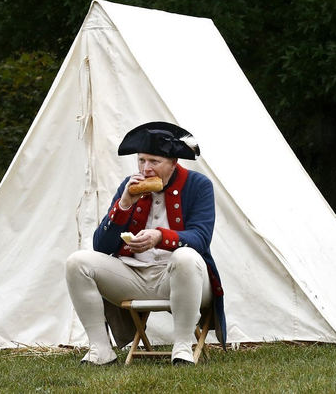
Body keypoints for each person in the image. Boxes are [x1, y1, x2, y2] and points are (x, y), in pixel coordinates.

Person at [65, 121, 226, 365]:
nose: (146, 168)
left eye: (154, 161)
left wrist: (161, 236)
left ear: (173, 163)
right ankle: (100, 349)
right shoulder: (129, 186)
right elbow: (102, 246)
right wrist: (125, 204)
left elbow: (201, 239)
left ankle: (182, 346)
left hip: (183, 278)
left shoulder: (198, 185)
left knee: (186, 256)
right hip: (134, 276)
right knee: (77, 262)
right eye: (141, 160)